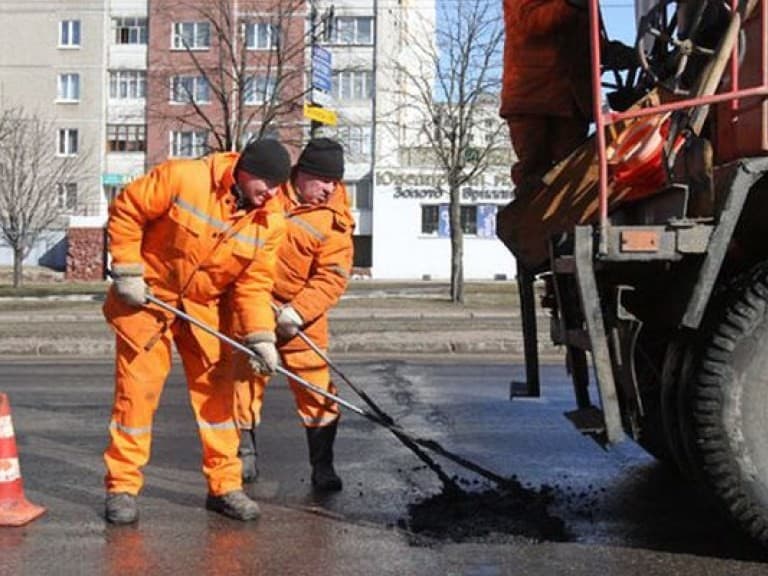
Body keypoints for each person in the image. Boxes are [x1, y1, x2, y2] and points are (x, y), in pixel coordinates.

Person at [102, 138, 291, 525]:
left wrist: (261, 338)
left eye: (278, 187)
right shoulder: (185, 177)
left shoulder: (270, 221)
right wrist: (127, 270)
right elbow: (127, 210)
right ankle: (122, 488)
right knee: (136, 398)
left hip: (205, 309)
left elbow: (253, 286)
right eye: (267, 184)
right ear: (245, 171)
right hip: (148, 299)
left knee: (218, 400)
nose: (272, 194)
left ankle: (225, 487)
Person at [232, 138, 354, 491]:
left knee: (318, 393)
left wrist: (297, 313)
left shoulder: (335, 221)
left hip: (302, 322)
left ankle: (323, 465)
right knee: (244, 385)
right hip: (254, 309)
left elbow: (331, 278)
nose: (329, 189)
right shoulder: (270, 193)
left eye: (335, 183)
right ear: (302, 175)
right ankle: (245, 456)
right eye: (323, 181)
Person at [500, 0, 636, 199]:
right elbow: (533, 23)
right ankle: (533, 224)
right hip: (532, 99)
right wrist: (573, 5)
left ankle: (563, 224)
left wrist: (610, 52)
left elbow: (583, 40)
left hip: (570, 102)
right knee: (533, 173)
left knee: (573, 172)